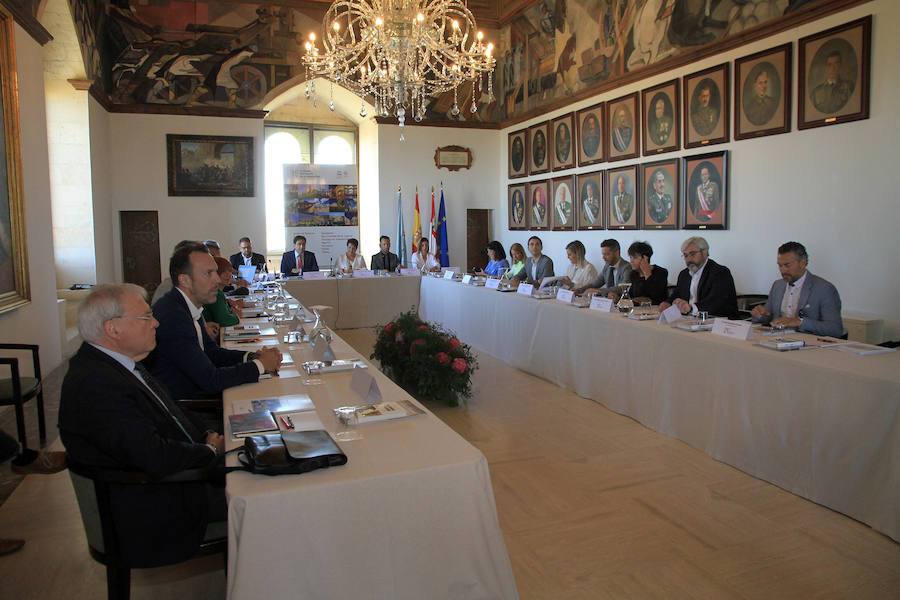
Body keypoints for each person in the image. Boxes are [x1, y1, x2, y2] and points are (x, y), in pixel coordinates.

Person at [59, 283, 226, 567]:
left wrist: (205, 435)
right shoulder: (96, 385)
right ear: (113, 329)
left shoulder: (114, 364)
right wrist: (209, 452)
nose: (156, 323)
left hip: (164, 482)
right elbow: (154, 455)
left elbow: (171, 412)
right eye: (146, 317)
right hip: (152, 508)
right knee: (273, 496)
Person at [149, 242, 281, 401]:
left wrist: (253, 356)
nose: (217, 279)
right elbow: (211, 380)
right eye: (209, 273)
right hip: (192, 408)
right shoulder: (173, 316)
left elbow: (212, 353)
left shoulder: (185, 306)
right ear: (185, 280)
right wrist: (260, 365)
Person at [751, 242, 843, 337]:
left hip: (808, 344)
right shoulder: (778, 285)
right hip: (776, 339)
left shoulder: (824, 289)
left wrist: (800, 322)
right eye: (780, 265)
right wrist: (760, 315)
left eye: (787, 265)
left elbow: (835, 329)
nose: (782, 270)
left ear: (802, 263)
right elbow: (769, 318)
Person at [661, 236, 737, 318]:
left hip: (718, 322)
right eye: (685, 256)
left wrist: (691, 308)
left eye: (692, 254)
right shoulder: (684, 274)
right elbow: (677, 295)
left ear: (705, 253)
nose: (689, 259)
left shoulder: (720, 272)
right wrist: (667, 303)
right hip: (689, 319)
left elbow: (715, 302)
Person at [201, 257, 240, 327]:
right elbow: (224, 321)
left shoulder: (217, 292)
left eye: (230, 271)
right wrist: (237, 316)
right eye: (223, 271)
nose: (228, 274)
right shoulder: (215, 294)